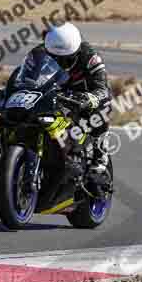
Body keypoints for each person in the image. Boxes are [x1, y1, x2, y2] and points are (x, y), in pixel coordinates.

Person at [42, 22, 112, 188]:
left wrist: (91, 98)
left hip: (83, 97)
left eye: (66, 59)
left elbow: (103, 89)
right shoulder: (40, 52)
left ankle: (100, 157)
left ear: (76, 51)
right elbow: (25, 74)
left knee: (103, 108)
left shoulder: (90, 56)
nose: (61, 63)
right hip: (55, 94)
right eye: (55, 59)